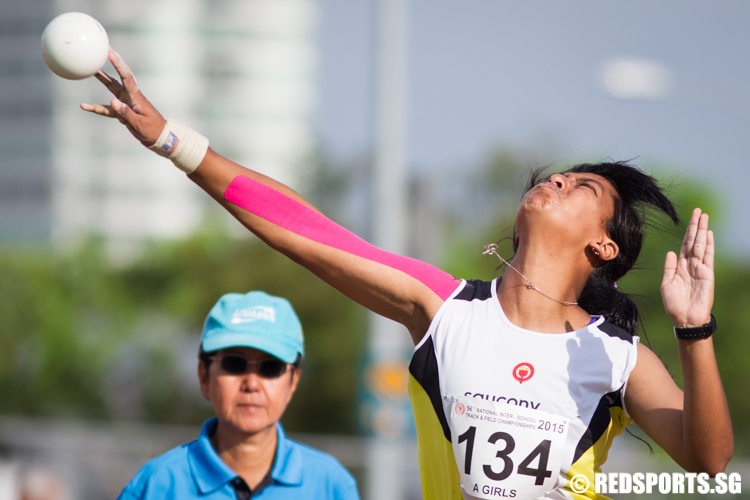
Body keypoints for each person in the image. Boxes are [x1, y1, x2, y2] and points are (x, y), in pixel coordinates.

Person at [87, 49, 732, 500]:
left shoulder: (617, 356)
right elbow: (307, 231)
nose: (558, 178)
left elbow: (709, 461)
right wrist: (173, 140)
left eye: (584, 187)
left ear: (603, 247)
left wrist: (695, 330)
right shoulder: (443, 305)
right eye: (559, 174)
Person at [117, 291, 360, 500]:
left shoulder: (330, 486)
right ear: (204, 375)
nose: (251, 383)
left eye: (271, 367)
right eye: (234, 363)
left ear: (293, 380)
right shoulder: (158, 486)